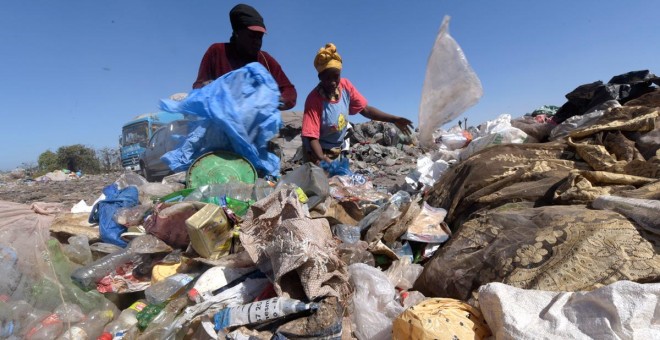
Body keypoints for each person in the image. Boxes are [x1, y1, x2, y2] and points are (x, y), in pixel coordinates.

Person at [301, 43, 413, 164]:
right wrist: (321, 159)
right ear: (320, 77)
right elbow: (312, 137)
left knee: (340, 181)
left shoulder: (345, 86)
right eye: (328, 78)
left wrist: (394, 119)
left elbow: (366, 110)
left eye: (336, 76)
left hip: (336, 150)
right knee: (321, 181)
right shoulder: (314, 100)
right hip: (316, 152)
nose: (333, 82)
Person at [192, 4, 297, 110]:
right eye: (252, 36)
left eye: (260, 37)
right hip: (221, 120)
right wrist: (208, 88)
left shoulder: (265, 60)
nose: (257, 42)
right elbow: (198, 85)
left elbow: (290, 92)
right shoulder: (217, 51)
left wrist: (276, 101)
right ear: (237, 33)